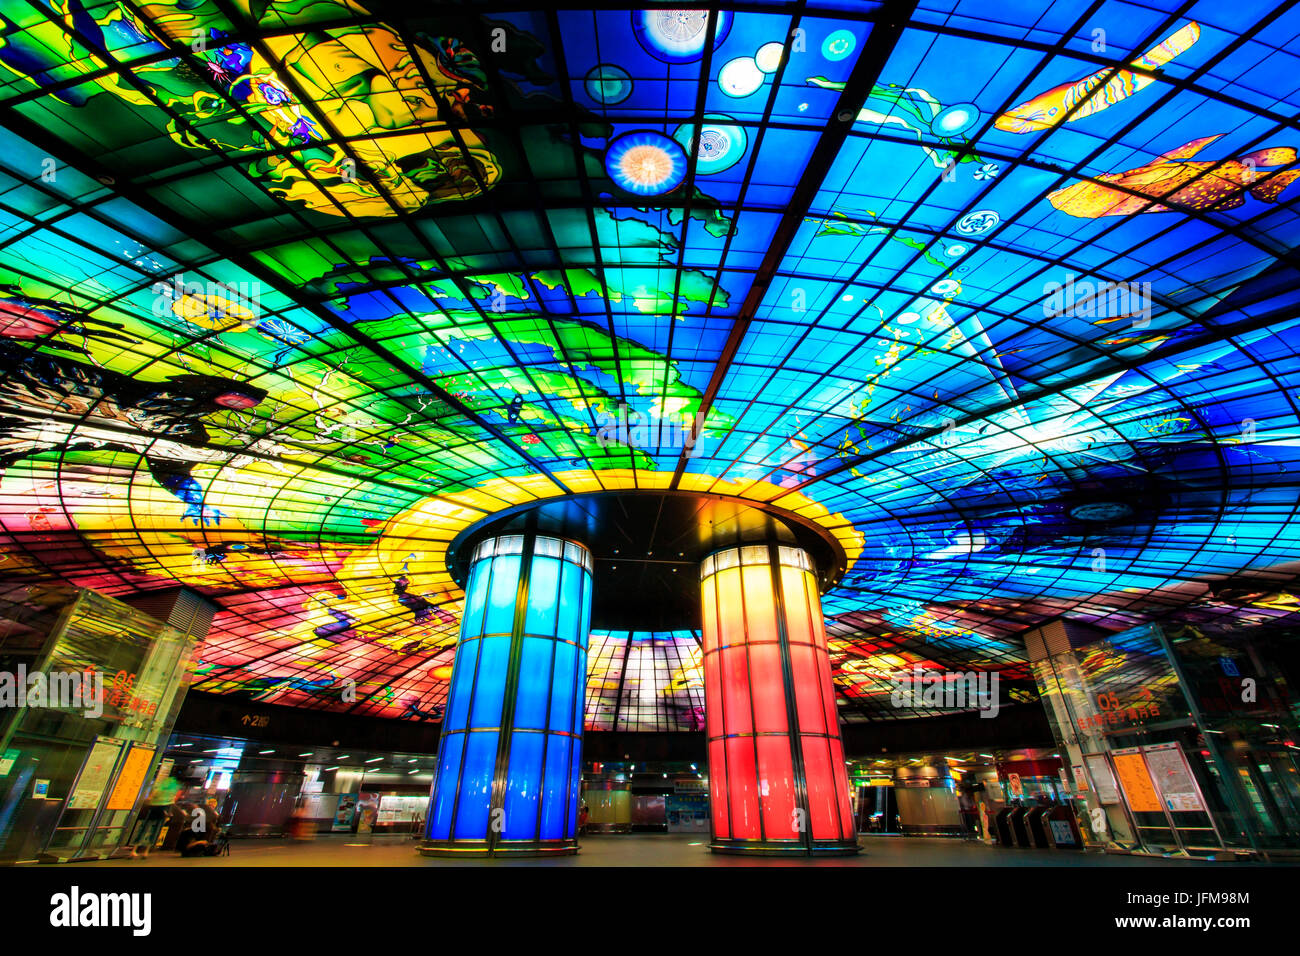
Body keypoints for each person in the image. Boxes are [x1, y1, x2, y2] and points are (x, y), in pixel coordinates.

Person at [131, 775, 181, 858]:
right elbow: (172, 800)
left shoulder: (161, 784)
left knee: (144, 828)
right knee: (155, 830)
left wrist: (150, 800)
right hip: (163, 808)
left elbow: (153, 795)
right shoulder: (175, 786)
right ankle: (146, 852)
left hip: (153, 807)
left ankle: (134, 850)